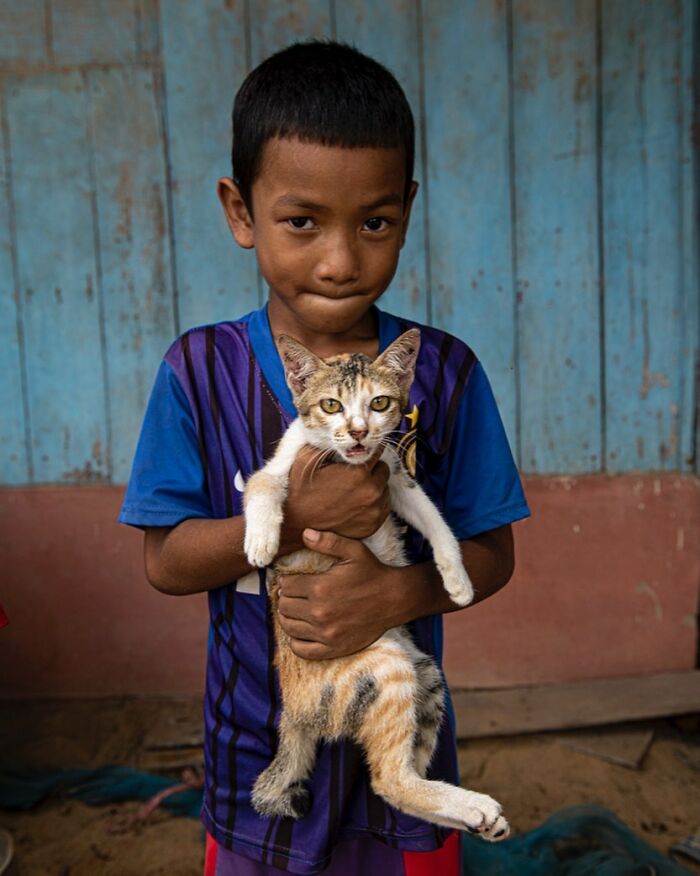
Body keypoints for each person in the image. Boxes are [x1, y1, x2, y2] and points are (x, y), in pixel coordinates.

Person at [119, 40, 530, 876]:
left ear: (407, 211)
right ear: (241, 212)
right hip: (253, 760)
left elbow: (491, 555)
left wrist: (396, 592)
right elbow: (164, 560)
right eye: (302, 221)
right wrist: (296, 513)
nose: (341, 260)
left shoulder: (442, 373)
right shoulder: (199, 373)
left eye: (374, 222)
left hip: (401, 754)